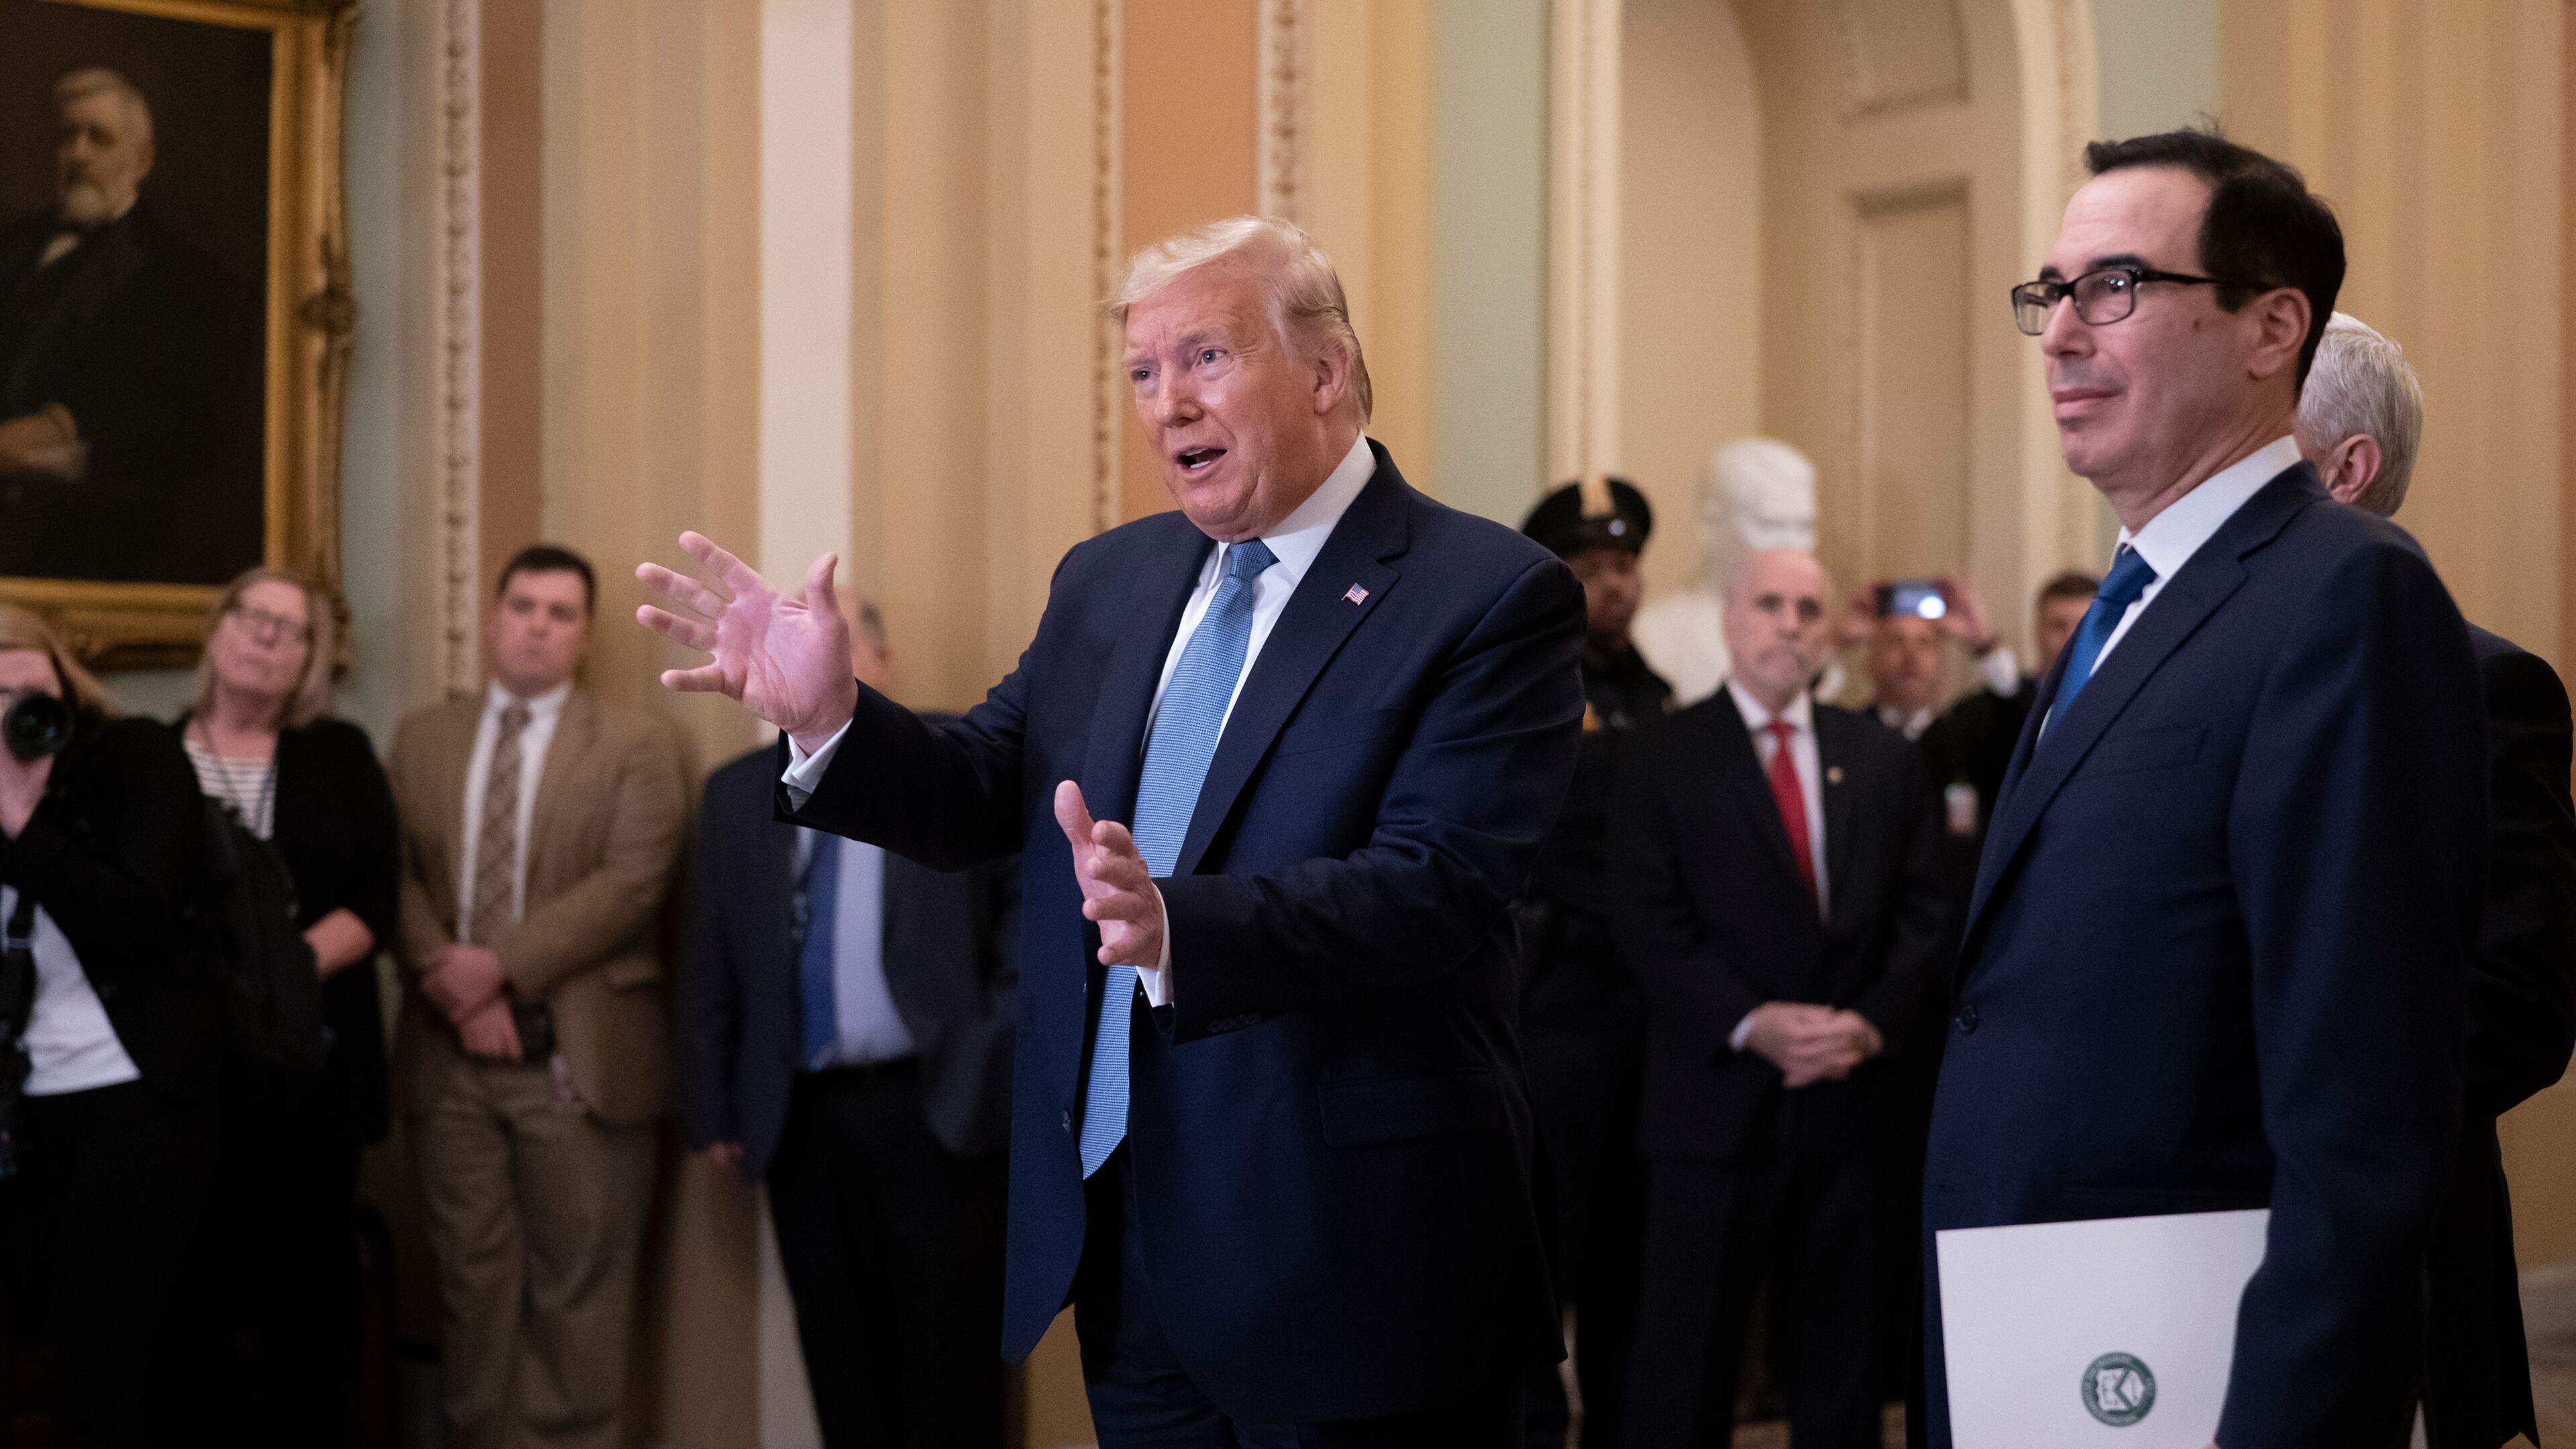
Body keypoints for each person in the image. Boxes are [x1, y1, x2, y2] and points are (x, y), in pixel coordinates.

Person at [638, 215, 1585, 1444]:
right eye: (1143, 371)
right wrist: (832, 720)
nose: (1165, 403)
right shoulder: (1112, 579)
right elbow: (986, 785)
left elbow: (1439, 883)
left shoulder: (1486, 594)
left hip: (1356, 1252)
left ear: (1325, 371)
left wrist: (1175, 927)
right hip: (1125, 1237)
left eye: (1205, 358)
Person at [1923, 130, 2488, 1449]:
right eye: (2049, 294)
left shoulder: (2345, 595)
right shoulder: (2128, 607)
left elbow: (2363, 1115)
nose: (2063, 334)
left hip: (2185, 1379)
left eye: (2115, 286)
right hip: (2031, 1341)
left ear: (2270, 327)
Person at [2296, 312, 2576, 1449]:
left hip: (2392, 1269)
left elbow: (2519, 1007)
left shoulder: (2487, 692)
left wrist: (2306, 1108)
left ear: (2347, 470)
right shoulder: (2149, 669)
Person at [1610, 548, 1947, 1449]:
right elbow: (1645, 919)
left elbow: (1926, 913)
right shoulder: (1659, 758)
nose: (1789, 623)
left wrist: (1868, 1027)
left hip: (1850, 1105)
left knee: (1841, 1369)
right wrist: (1754, 1023)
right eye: (1769, 604)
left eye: (1807, 606)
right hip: (1711, 1110)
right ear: (1731, 621)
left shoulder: (1879, 757)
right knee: (1685, 1366)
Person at [680, 594, 1020, 1448]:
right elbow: (711, 954)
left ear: (883, 660)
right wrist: (719, 1104)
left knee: (956, 1374)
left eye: (833, 652)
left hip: (943, 1107)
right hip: (801, 1117)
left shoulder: (956, 762)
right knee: (841, 1364)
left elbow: (1028, 931)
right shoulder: (733, 796)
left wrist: (994, 1062)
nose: (816, 674)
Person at [388, 545, 688, 1449]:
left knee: (579, 1297)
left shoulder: (637, 743)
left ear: (586, 634)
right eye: (522, 605)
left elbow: (633, 882)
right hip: (451, 1064)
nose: (537, 624)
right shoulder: (421, 737)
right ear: (492, 616)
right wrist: (452, 975)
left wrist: (497, 967)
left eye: (560, 613)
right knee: (469, 1291)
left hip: (580, 1063)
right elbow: (392, 871)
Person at [178, 569, 399, 1448]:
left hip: (316, 1081)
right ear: (220, 629)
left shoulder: (339, 753)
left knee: (305, 1319)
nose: (269, 638)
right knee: (193, 1309)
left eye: (292, 629)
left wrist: (272, 976)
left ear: (310, 658)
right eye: (254, 618)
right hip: (188, 1083)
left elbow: (376, 902)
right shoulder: (154, 756)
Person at [0, 603, 223, 1448]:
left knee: (100, 1365)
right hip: (29, 1103)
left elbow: (134, 918)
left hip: (139, 1093)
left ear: (62, 680)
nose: (12, 715)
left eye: (27, 689)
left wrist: (22, 815)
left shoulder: (131, 759)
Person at [1513, 474, 1668, 1449]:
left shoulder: (1653, 695)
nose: (1615, 586)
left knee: (1630, 1256)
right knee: (1545, 1252)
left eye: (1626, 566)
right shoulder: (1529, 686)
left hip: (1647, 1017)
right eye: (1594, 566)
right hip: (1553, 1009)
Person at [0, 67, 236, 584]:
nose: (79, 154)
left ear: (141, 159)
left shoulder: (178, 277)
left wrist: (51, 433)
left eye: (99, 138)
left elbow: (164, 431)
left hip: (86, 542)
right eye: (68, 137)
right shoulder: (12, 246)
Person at [1631, 439, 1824, 707]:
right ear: (1711, 525)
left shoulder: (1820, 635)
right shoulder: (1658, 634)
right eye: (1771, 526)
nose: (1791, 547)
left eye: (1804, 526)